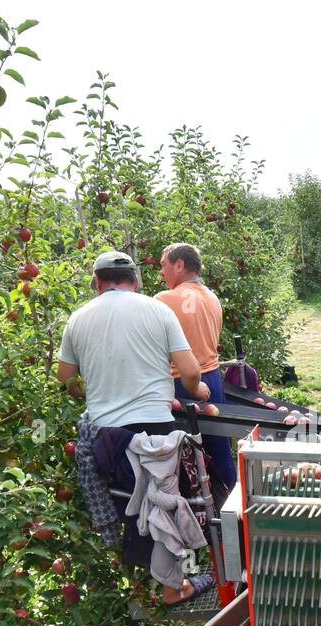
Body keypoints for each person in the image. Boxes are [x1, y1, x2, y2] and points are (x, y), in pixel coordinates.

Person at [57, 251, 211, 605]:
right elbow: (189, 372)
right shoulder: (158, 310)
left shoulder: (78, 318)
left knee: (128, 505)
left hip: (107, 438)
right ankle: (176, 587)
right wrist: (195, 389)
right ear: (137, 280)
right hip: (155, 433)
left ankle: (137, 583)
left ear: (97, 283)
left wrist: (89, 390)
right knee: (167, 504)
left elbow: (64, 378)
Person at [155, 243, 236, 490]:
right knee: (219, 450)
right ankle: (234, 509)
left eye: (163, 266)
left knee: (181, 457)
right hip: (212, 380)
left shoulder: (163, 300)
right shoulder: (212, 298)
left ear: (179, 265)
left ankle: (194, 516)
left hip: (179, 383)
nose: (161, 272)